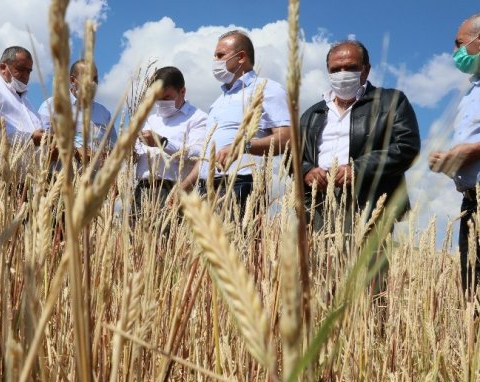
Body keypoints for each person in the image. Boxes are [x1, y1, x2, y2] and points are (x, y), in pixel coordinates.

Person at [301, 39, 421, 233]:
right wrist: (307, 171)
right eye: (335, 69)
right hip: (319, 205)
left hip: (369, 203)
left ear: (366, 70)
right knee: (321, 263)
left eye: (350, 68)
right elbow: (293, 159)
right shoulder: (311, 114)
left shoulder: (391, 102)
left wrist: (358, 168)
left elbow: (407, 148)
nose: (342, 74)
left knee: (367, 262)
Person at [185, 30, 291, 214]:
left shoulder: (268, 89)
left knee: (237, 242)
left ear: (241, 57)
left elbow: (287, 138)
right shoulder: (217, 102)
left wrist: (242, 146)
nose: (215, 61)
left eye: (220, 55)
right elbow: (207, 154)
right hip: (205, 189)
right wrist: (184, 187)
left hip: (241, 184)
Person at [429, 14, 480, 296]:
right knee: (471, 296)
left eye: (459, 44)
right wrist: (449, 160)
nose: (455, 52)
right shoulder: (472, 90)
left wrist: (472, 151)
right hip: (471, 202)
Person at [133, 66, 208, 221]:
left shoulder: (198, 118)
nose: (161, 102)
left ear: (182, 91)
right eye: (157, 98)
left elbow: (197, 154)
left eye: (166, 98)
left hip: (172, 190)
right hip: (142, 189)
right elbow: (138, 153)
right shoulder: (150, 119)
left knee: (166, 242)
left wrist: (162, 143)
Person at [38, 59, 117, 165]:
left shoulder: (104, 113)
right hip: (59, 178)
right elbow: (43, 141)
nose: (92, 83)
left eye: (95, 79)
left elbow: (113, 146)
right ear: (72, 80)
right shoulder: (51, 106)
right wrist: (75, 151)